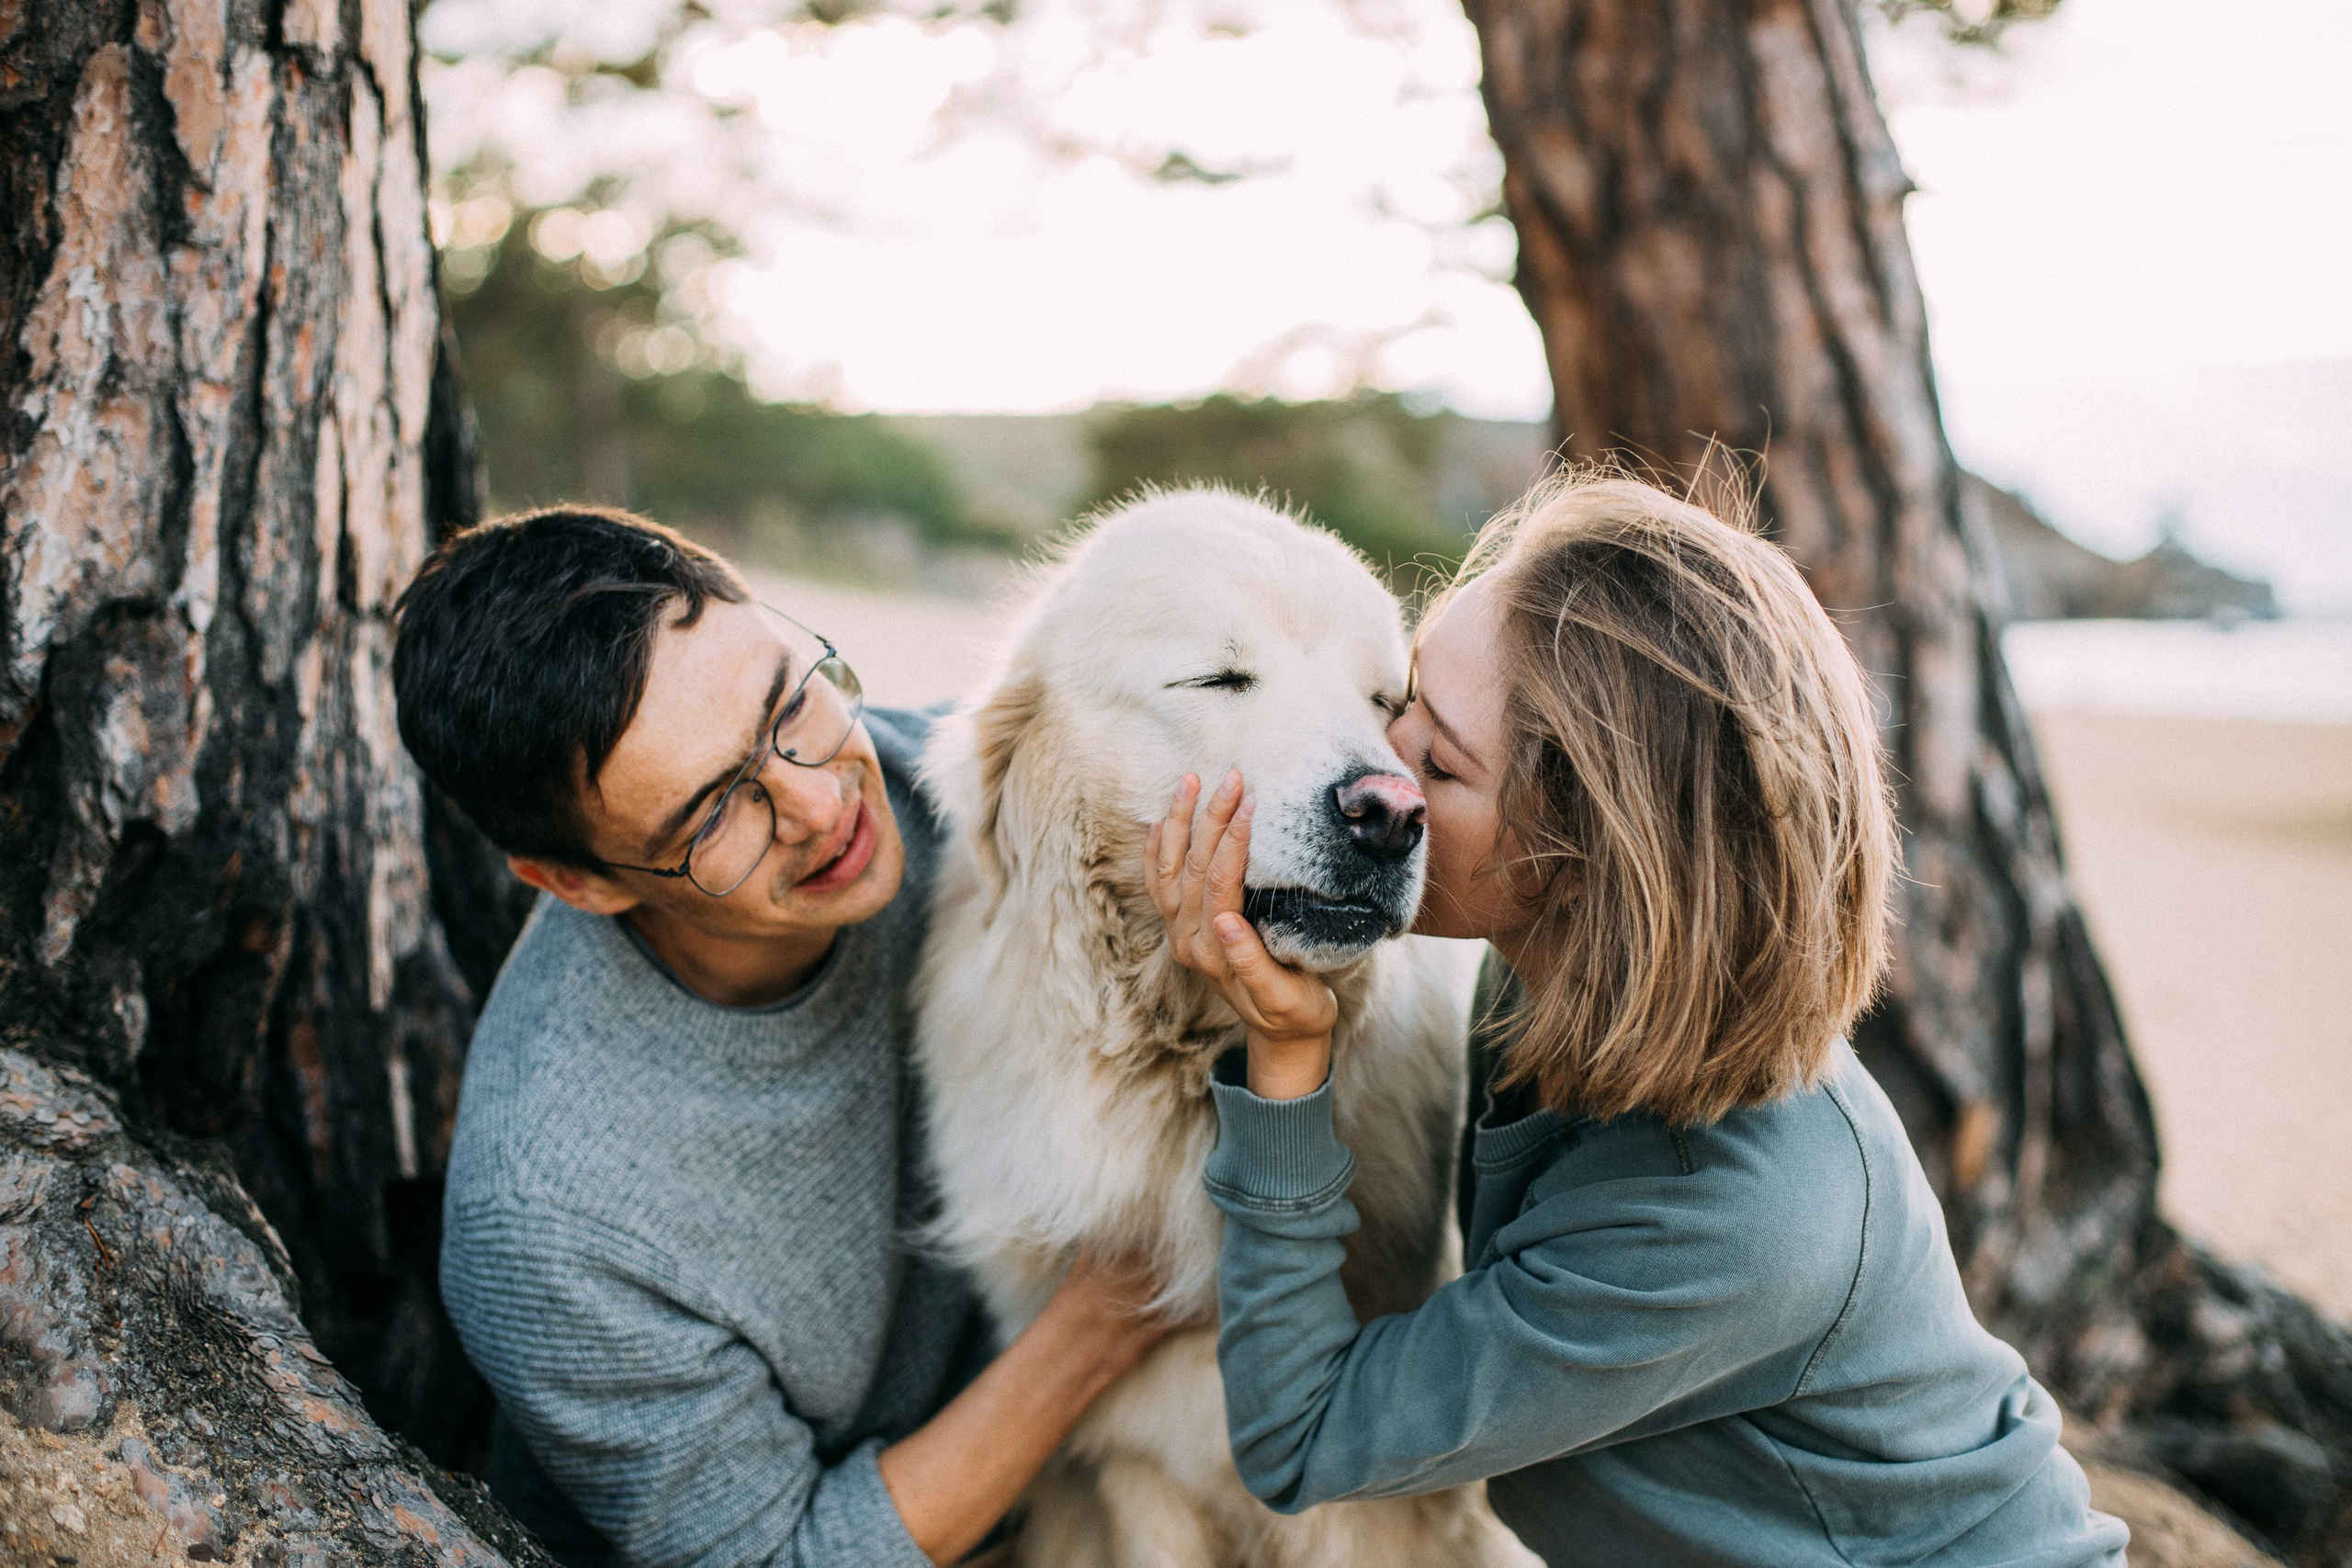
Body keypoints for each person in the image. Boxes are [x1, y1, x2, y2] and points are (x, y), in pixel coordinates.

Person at [1145, 473, 2130, 1566]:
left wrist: (1286, 1057)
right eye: (1402, 696)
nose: (1379, 759)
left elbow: (1302, 1436)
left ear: (1581, 861)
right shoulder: (1555, 983)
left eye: (1440, 761)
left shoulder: (1718, 1220)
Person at [392, 506, 1174, 1568]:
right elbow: (783, 1559)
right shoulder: (547, 1221)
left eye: (790, 702)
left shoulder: (937, 791)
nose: (818, 801)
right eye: (716, 811)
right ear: (575, 882)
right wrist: (1104, 1321)